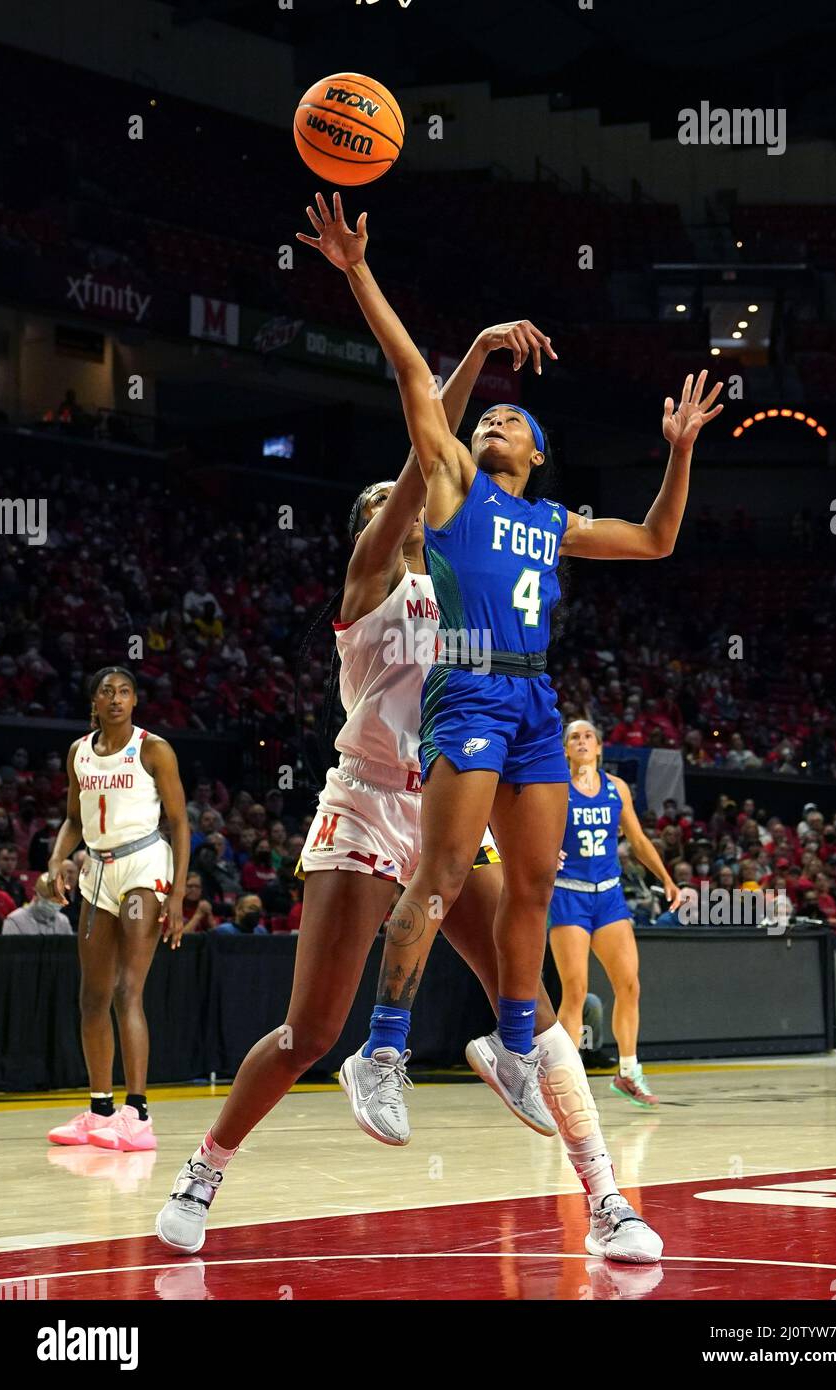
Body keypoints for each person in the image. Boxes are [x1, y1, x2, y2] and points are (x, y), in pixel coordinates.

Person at [156, 320, 664, 1264]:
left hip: (446, 801)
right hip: (363, 804)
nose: (400, 509)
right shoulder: (370, 581)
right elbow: (419, 455)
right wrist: (440, 417)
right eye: (384, 505)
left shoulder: (471, 571)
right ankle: (205, 1168)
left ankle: (606, 1198)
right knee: (310, 1030)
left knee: (528, 997)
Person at [295, 193, 719, 1128]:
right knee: (445, 873)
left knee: (531, 886)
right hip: (469, 687)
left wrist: (680, 452)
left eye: (512, 420)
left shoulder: (553, 522)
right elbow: (413, 375)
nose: (496, 422)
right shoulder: (452, 489)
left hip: (533, 698)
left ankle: (514, 1043)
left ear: (538, 453)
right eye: (487, 417)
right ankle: (382, 1049)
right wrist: (359, 272)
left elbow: (656, 539)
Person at [45, 665, 190, 1153]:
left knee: (129, 990)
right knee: (92, 997)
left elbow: (179, 822)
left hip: (143, 867)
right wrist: (56, 859)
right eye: (107, 691)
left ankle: (138, 1113)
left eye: (125, 691)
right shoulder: (79, 753)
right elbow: (73, 819)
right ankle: (100, 1109)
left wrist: (177, 894)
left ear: (134, 701)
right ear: (94, 701)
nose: (116, 698)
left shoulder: (153, 749)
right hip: (97, 871)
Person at [548, 720, 682, 1108]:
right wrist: (545, 851)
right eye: (574, 737)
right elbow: (530, 828)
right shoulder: (556, 786)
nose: (582, 741)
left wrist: (666, 878)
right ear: (566, 749)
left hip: (608, 896)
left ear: (599, 747)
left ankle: (627, 1072)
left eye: (588, 736)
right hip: (569, 894)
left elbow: (637, 839)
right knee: (575, 991)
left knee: (629, 985)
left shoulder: (616, 788)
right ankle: (568, 1083)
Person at [2, 872, 73, 935]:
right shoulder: (15, 921)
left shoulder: (63, 921)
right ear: (36, 895)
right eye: (49, 900)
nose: (53, 905)